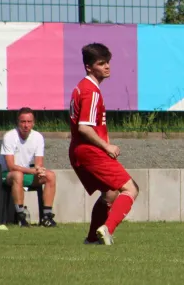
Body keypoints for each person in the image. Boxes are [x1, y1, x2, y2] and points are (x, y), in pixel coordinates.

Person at [69, 43, 139, 245]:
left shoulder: (81, 88)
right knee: (131, 189)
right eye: (101, 63)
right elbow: (84, 127)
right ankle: (107, 229)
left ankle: (92, 239)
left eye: (107, 62)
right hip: (89, 151)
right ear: (89, 67)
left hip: (79, 151)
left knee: (110, 193)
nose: (107, 66)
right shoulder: (90, 91)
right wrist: (106, 146)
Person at [0, 107, 57, 227]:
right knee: (17, 175)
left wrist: (39, 170)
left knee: (50, 175)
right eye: (23, 122)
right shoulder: (9, 136)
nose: (26, 125)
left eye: (29, 122)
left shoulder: (38, 137)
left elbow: (38, 163)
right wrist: (32, 170)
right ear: (18, 123)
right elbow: (10, 166)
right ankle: (21, 216)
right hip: (5, 174)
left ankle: (46, 217)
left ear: (33, 123)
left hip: (25, 173)